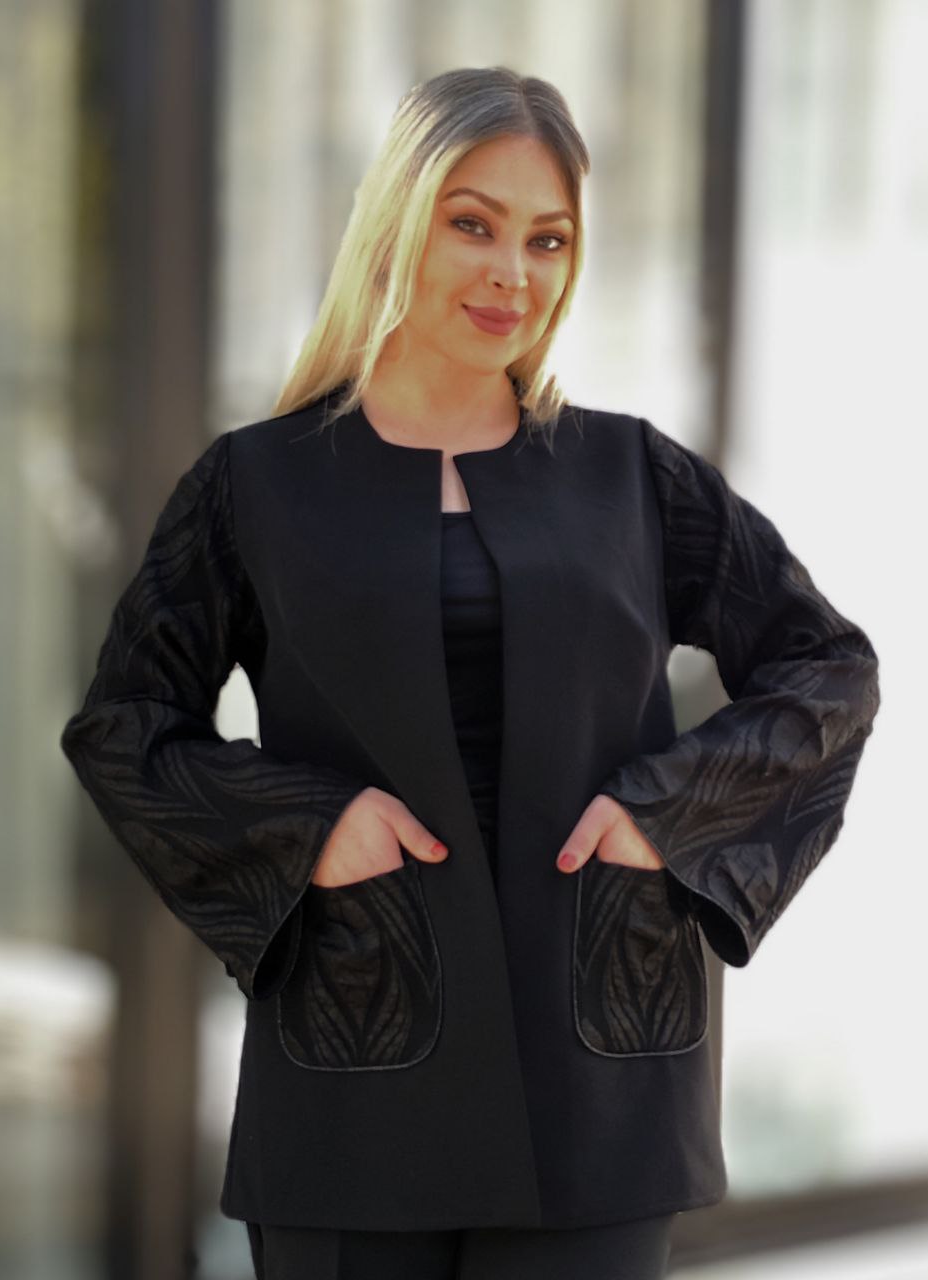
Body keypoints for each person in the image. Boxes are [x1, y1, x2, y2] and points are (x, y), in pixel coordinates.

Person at [59, 66, 881, 1280]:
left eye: (547, 239)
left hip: (599, 1076)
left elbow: (826, 668)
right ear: (398, 222)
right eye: (472, 223)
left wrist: (665, 814)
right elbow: (126, 725)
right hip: (356, 1067)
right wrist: (308, 827)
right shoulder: (257, 486)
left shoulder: (631, 477)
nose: (512, 272)